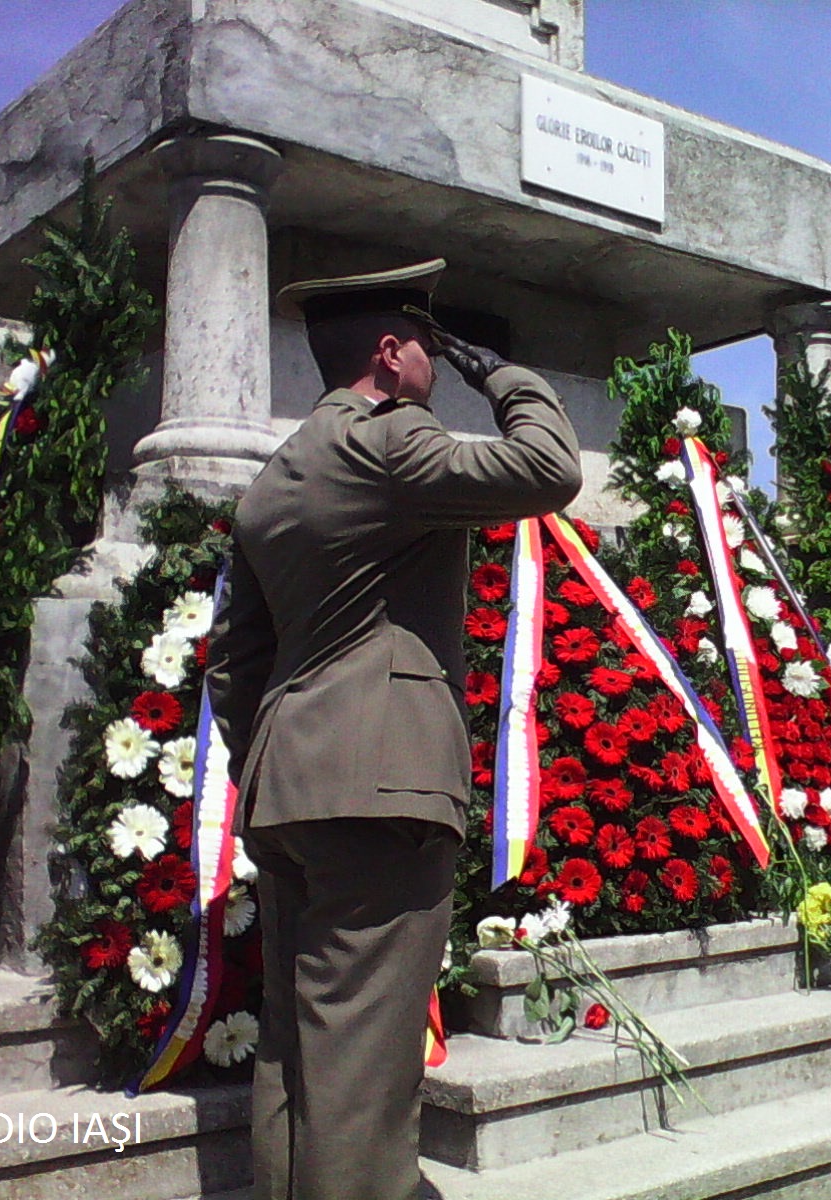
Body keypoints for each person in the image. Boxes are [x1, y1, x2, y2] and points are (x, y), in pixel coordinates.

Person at [206, 259, 583, 1200]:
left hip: (290, 788)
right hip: (381, 790)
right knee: (365, 1076)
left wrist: (284, 758)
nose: (434, 358)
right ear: (390, 351)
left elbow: (232, 663)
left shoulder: (278, 473)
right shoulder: (390, 440)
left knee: (297, 1055)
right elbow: (549, 468)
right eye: (428, 341)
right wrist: (501, 374)